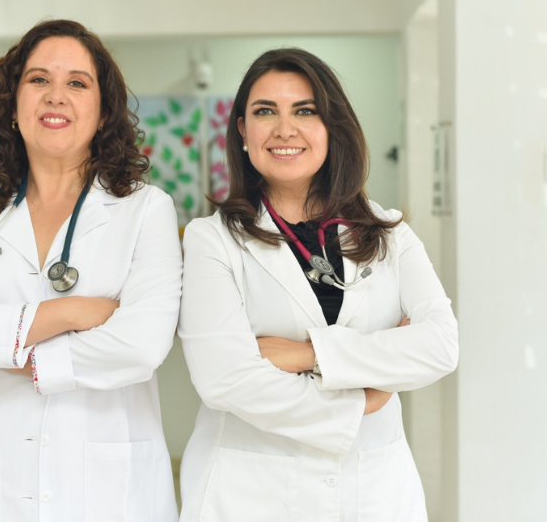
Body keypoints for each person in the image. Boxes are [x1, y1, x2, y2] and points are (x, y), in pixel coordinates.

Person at [0, 19, 182, 522]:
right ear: (13, 106)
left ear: (103, 112)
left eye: (77, 82)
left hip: (104, 489)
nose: (56, 95)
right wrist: (73, 312)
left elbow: (141, 346)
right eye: (39, 79)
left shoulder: (146, 210)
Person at [177, 48, 458, 522]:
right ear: (242, 130)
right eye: (265, 111)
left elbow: (440, 346)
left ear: (333, 126)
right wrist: (365, 398)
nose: (285, 129)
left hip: (374, 493)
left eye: (305, 111)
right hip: (250, 495)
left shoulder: (390, 233)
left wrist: (307, 354)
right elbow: (224, 379)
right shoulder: (212, 240)